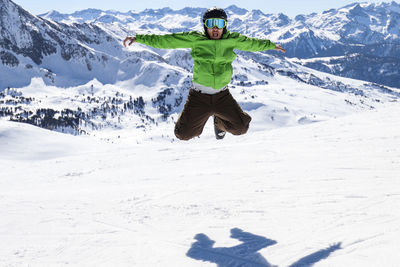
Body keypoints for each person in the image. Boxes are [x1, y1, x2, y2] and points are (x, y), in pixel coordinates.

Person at [123, 7, 286, 140]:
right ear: (204, 25)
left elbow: (252, 44)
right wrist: (139, 38)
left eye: (220, 23)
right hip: (198, 96)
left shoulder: (232, 39)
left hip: (222, 95)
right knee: (183, 134)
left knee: (241, 128)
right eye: (211, 23)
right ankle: (189, 117)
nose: (215, 28)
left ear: (225, 25)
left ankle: (219, 123)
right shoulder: (195, 39)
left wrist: (270, 45)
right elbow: (167, 40)